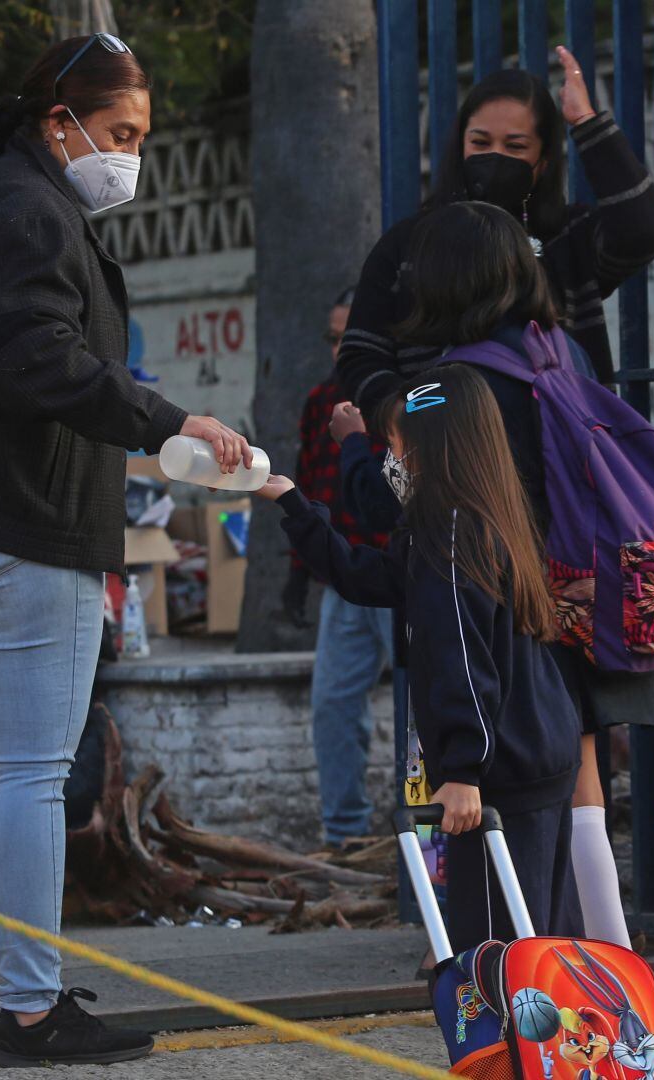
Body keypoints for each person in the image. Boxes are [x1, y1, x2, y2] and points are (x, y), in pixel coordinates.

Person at [0, 33, 251, 1068]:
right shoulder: (34, 212)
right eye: (120, 133)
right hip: (22, 528)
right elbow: (45, 366)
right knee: (30, 773)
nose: (130, 156)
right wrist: (170, 421)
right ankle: (30, 1012)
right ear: (59, 120)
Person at [386, 200, 654, 948]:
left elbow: (411, 494)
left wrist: (363, 447)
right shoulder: (558, 351)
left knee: (509, 877)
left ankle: (534, 991)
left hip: (511, 631)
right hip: (581, 598)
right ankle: (604, 978)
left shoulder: (452, 383)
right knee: (578, 799)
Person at [257, 365, 584, 950]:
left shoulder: (452, 533)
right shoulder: (473, 519)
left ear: (434, 447)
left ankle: (509, 1044)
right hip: (528, 756)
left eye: (397, 446)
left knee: (499, 953)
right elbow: (368, 577)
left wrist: (462, 769)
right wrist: (294, 506)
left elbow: (461, 652)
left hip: (496, 773)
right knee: (540, 938)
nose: (391, 460)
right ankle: (541, 1041)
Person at [338, 46, 654, 406]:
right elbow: (360, 354)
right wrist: (412, 413)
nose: (494, 156)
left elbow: (644, 228)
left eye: (515, 146)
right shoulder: (407, 244)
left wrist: (586, 121)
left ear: (542, 161)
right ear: (460, 143)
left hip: (557, 447)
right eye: (480, 142)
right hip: (442, 452)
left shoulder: (567, 238)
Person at [288, 288, 394, 849]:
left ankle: (428, 839)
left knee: (424, 708)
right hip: (343, 577)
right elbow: (309, 484)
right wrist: (298, 570)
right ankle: (345, 834)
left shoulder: (401, 399)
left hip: (399, 578)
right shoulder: (320, 401)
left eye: (346, 337)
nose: (338, 349)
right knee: (332, 704)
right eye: (332, 338)